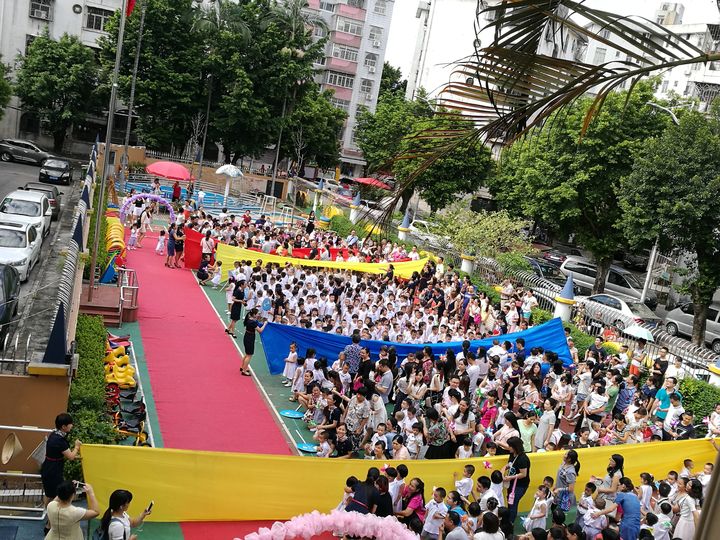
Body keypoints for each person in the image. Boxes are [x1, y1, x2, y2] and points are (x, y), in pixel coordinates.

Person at [41, 413, 82, 534]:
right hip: (54, 470)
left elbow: (61, 453)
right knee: (56, 496)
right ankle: (49, 524)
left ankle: (48, 517)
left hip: (47, 467)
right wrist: (77, 447)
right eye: (70, 424)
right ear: (64, 426)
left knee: (48, 494)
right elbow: (71, 456)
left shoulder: (54, 434)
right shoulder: (60, 440)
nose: (72, 425)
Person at [502, 436, 530, 526]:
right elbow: (510, 464)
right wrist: (504, 468)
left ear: (515, 447)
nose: (508, 447)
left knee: (513, 503)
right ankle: (509, 519)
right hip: (512, 483)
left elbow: (523, 474)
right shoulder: (512, 454)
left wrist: (510, 478)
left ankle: (510, 522)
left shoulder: (522, 459)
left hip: (520, 485)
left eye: (510, 446)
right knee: (510, 502)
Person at [240, 308, 267, 376]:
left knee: (247, 354)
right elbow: (260, 330)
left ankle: (242, 367)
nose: (258, 314)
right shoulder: (252, 322)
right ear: (254, 314)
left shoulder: (249, 319)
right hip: (250, 338)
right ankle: (244, 371)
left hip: (247, 337)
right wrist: (265, 324)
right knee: (249, 355)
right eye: (257, 313)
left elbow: (257, 322)